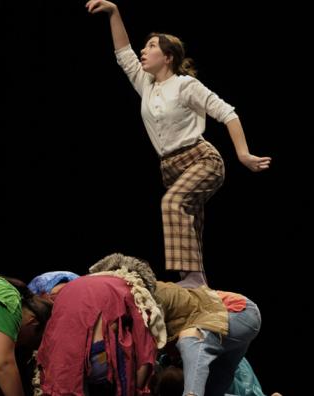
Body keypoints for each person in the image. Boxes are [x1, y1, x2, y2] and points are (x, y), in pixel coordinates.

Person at [86, 0, 271, 285]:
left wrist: (243, 154)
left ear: (168, 56)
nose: (143, 51)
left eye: (150, 47)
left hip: (200, 159)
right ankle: (197, 283)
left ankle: (193, 278)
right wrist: (114, 12)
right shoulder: (144, 83)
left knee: (172, 203)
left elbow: (228, 113)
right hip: (170, 168)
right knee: (190, 227)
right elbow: (123, 52)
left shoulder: (186, 86)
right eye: (144, 47)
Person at [90, 253, 270, 396]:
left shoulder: (147, 298)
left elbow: (146, 352)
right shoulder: (129, 306)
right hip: (221, 325)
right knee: (213, 387)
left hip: (235, 312)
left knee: (191, 338)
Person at [35, 265, 167, 395]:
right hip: (99, 357)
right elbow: (144, 346)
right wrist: (138, 388)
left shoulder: (72, 285)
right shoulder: (133, 288)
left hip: (59, 359)